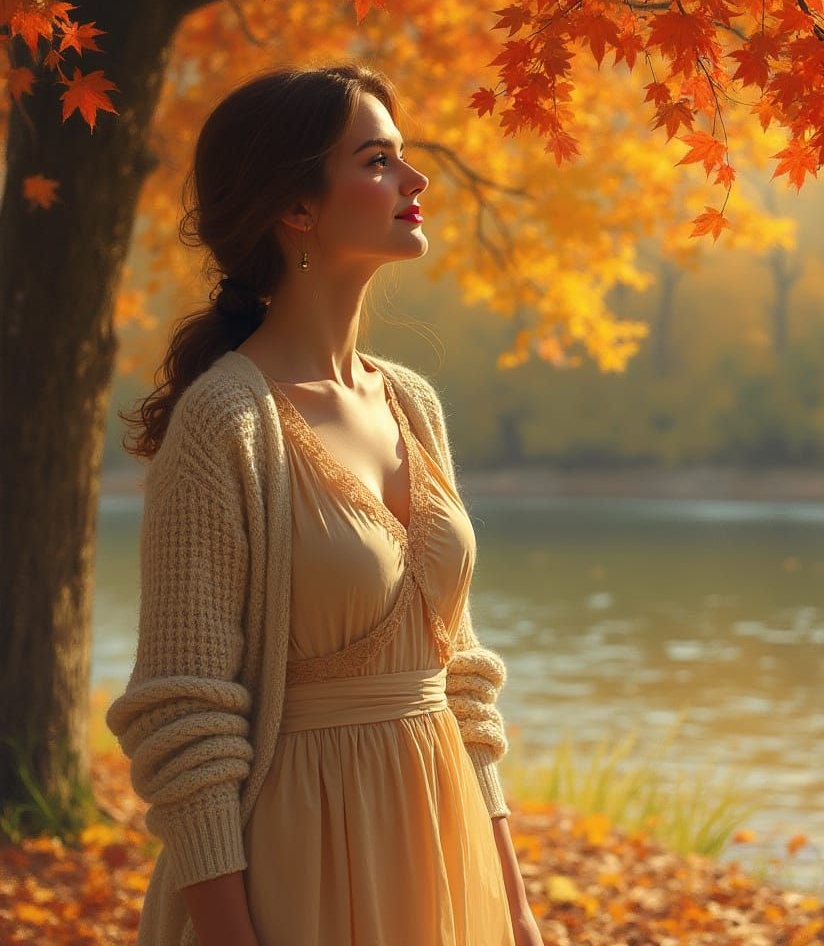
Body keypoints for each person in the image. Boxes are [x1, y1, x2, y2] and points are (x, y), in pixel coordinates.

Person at [105, 62, 544, 946]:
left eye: (403, 157)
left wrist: (517, 905)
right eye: (378, 160)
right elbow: (183, 718)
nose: (414, 181)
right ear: (297, 208)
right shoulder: (226, 421)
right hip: (296, 867)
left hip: (446, 854)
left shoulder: (411, 402)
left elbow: (461, 680)